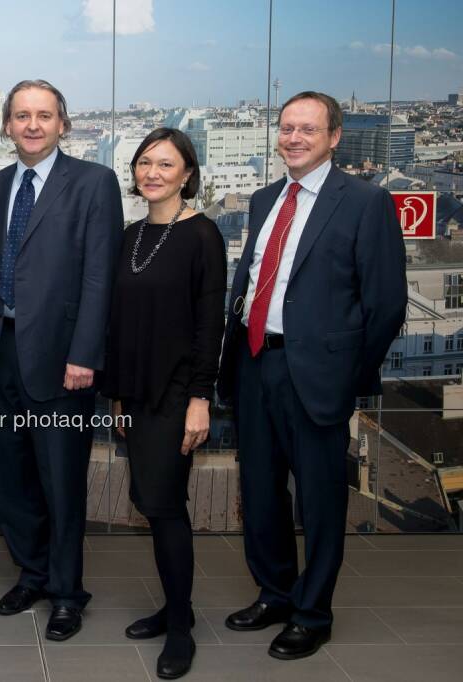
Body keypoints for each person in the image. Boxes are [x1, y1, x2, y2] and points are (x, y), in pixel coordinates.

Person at [217, 91, 407, 660]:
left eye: (307, 129)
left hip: (318, 375)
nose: (293, 138)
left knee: (320, 501)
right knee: (261, 491)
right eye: (286, 128)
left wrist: (346, 375)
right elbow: (254, 278)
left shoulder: (366, 202)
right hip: (255, 363)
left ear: (334, 137)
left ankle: (312, 612)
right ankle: (275, 593)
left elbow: (386, 305)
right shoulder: (263, 198)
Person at [0, 79, 122, 641]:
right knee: (11, 481)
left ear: (64, 123)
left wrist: (85, 353)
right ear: (6, 124)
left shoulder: (93, 182)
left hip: (63, 362)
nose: (31, 125)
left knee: (61, 483)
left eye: (43, 115)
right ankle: (32, 574)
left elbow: (99, 275)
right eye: (20, 116)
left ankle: (66, 592)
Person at [101, 127, 226, 679]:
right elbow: (123, 325)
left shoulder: (203, 236)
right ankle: (175, 607)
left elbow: (209, 325)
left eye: (166, 164)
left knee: (167, 506)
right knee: (152, 504)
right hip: (140, 391)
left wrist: (201, 399)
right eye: (144, 162)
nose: (152, 172)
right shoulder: (130, 236)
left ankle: (181, 628)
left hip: (178, 393)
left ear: (188, 174)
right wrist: (122, 398)